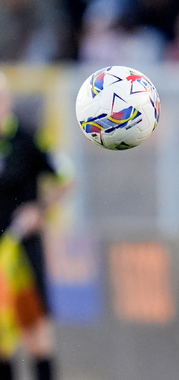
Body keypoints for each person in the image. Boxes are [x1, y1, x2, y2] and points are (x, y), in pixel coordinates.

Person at [0, 71, 73, 380]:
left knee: (35, 332)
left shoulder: (28, 138)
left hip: (23, 248)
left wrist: (39, 211)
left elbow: (66, 177)